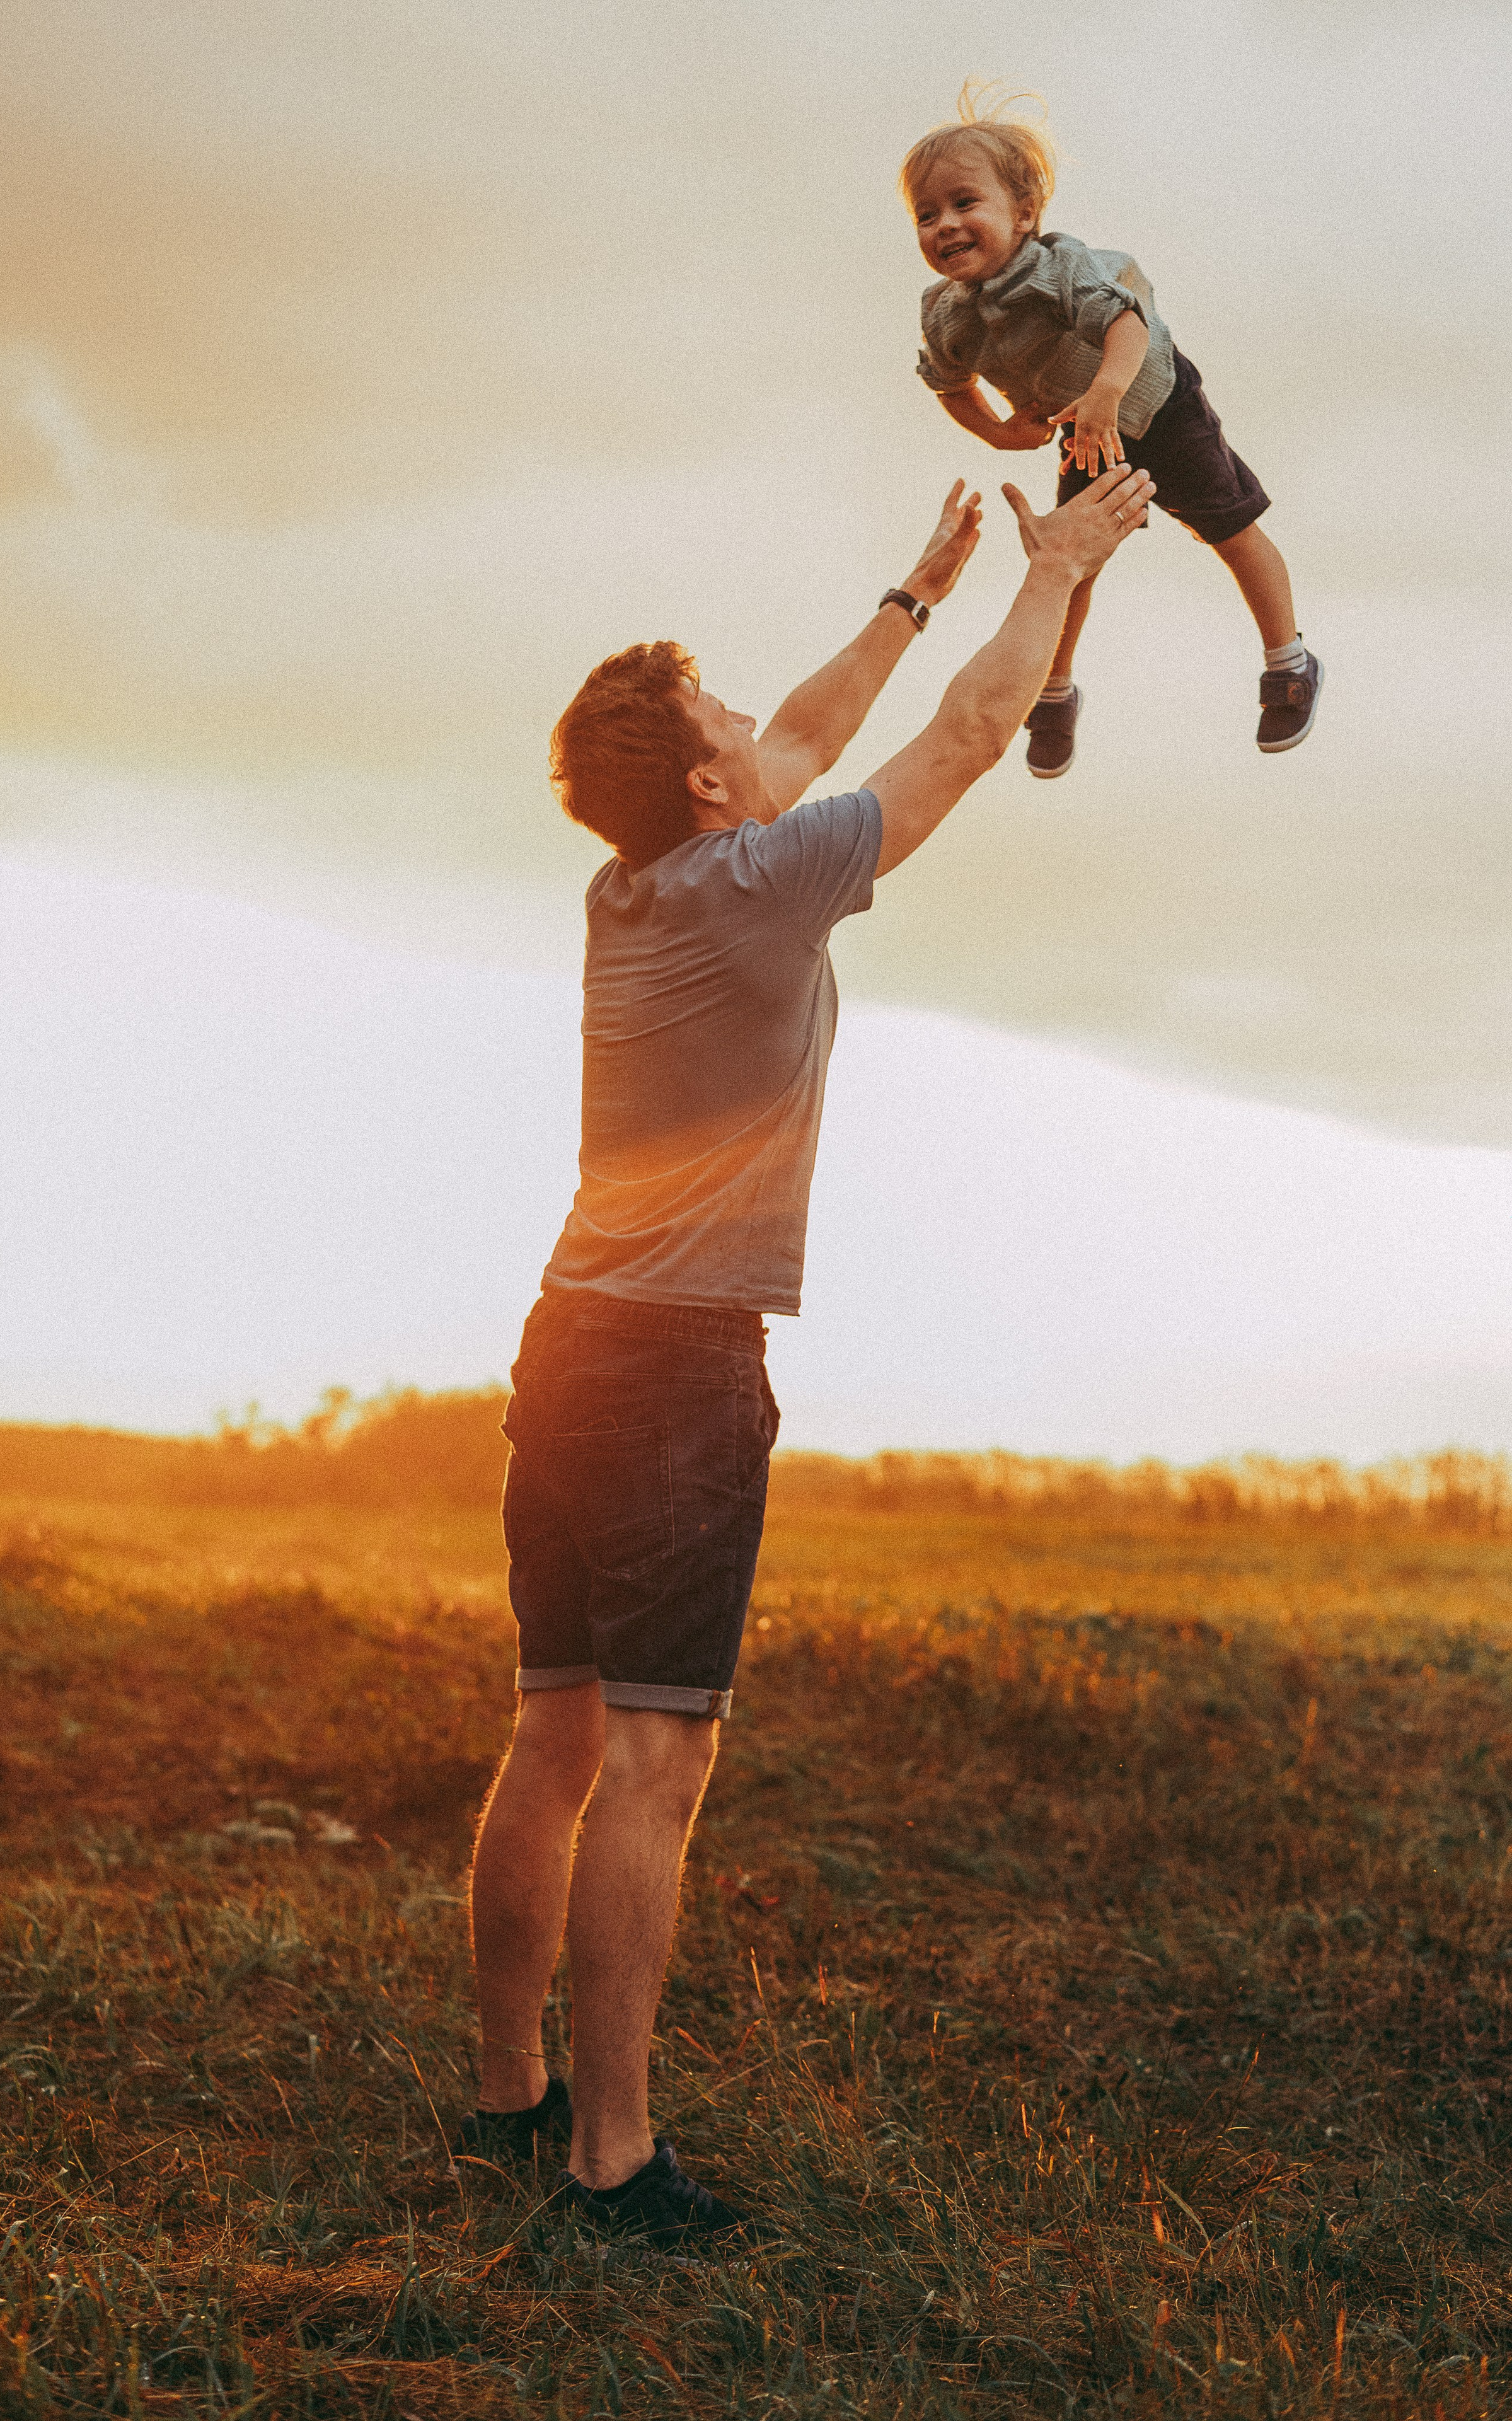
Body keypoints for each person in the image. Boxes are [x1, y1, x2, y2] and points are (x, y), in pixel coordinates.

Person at [461, 456, 1155, 2251]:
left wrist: (915, 591)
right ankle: (611, 2164)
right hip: (682, 1373)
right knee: (656, 1768)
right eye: (729, 720)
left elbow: (813, 725)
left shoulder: (635, 889)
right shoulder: (766, 883)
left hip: (566, 1344)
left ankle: (505, 2095)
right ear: (711, 781)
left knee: (551, 1732)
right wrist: (1060, 569)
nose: (765, 726)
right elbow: (972, 732)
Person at [904, 84, 1322, 778]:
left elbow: (1127, 324)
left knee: (1228, 524)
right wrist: (999, 433)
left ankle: (1289, 661)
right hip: (1087, 435)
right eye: (926, 214)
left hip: (1158, 403)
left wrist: (1103, 394)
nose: (944, 224)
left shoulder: (1063, 269)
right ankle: (1055, 692)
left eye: (964, 203)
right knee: (1071, 559)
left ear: (1024, 213)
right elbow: (948, 383)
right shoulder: (947, 315)